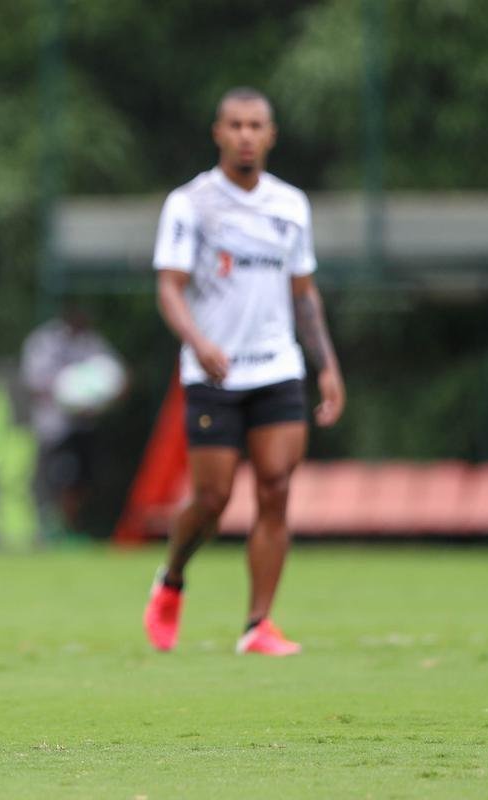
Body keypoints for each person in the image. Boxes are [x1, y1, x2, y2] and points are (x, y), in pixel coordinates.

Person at [143, 88, 345, 656]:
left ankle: (258, 625)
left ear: (271, 135)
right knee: (212, 498)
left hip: (278, 367)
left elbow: (304, 294)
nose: (246, 135)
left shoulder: (290, 205)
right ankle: (172, 579)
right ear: (219, 133)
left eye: (256, 125)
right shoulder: (191, 203)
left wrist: (325, 365)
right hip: (214, 372)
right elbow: (169, 286)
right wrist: (199, 340)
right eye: (236, 125)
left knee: (277, 489)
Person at [20, 305, 125, 539]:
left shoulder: (93, 343)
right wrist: (67, 396)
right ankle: (57, 531)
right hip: (55, 428)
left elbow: (116, 378)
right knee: (61, 480)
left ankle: (69, 528)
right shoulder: (44, 342)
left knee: (83, 483)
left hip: (85, 428)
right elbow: (34, 383)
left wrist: (100, 399)